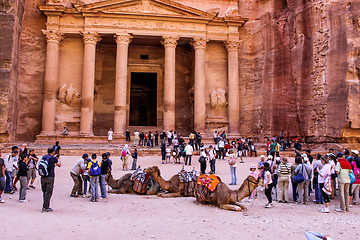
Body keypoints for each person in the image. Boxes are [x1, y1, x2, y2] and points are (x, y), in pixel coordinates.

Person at [41, 148, 61, 212]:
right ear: (53, 152)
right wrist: (57, 158)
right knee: (48, 192)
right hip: (50, 177)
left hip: (43, 176)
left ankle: (45, 205)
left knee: (44, 191)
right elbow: (59, 165)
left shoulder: (44, 157)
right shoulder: (53, 158)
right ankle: (45, 207)